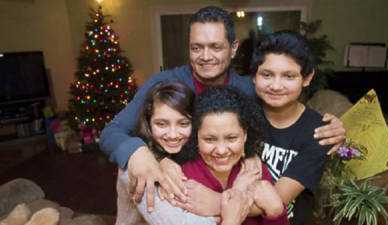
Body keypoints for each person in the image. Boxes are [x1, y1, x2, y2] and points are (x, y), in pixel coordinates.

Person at [99, 5, 346, 212]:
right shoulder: (163, 84)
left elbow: (286, 111)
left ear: (234, 48)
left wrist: (337, 128)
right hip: (172, 189)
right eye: (196, 47)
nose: (205, 56)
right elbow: (111, 132)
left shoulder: (251, 91)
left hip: (225, 196)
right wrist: (139, 153)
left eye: (216, 47)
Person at [116, 82, 277, 225]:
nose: (173, 134)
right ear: (148, 124)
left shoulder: (251, 169)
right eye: (161, 123)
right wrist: (235, 199)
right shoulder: (143, 169)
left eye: (183, 123)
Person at [250, 30, 333, 225]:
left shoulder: (318, 132)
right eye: (267, 75)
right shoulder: (243, 113)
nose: (276, 86)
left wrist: (213, 203)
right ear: (254, 76)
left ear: (307, 78)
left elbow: (274, 202)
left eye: (289, 76)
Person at [175, 86, 289, 225]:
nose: (221, 150)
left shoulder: (255, 172)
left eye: (231, 138)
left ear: (245, 135)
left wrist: (276, 212)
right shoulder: (182, 179)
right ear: (196, 136)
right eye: (209, 139)